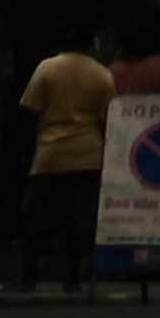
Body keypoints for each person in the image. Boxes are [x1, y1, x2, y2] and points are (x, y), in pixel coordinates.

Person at [16, 20, 117, 294]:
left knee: (35, 217)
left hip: (50, 153)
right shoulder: (102, 75)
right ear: (90, 44)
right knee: (80, 220)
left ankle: (28, 277)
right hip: (88, 154)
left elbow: (30, 109)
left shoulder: (47, 68)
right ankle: (72, 278)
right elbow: (108, 119)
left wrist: (27, 152)